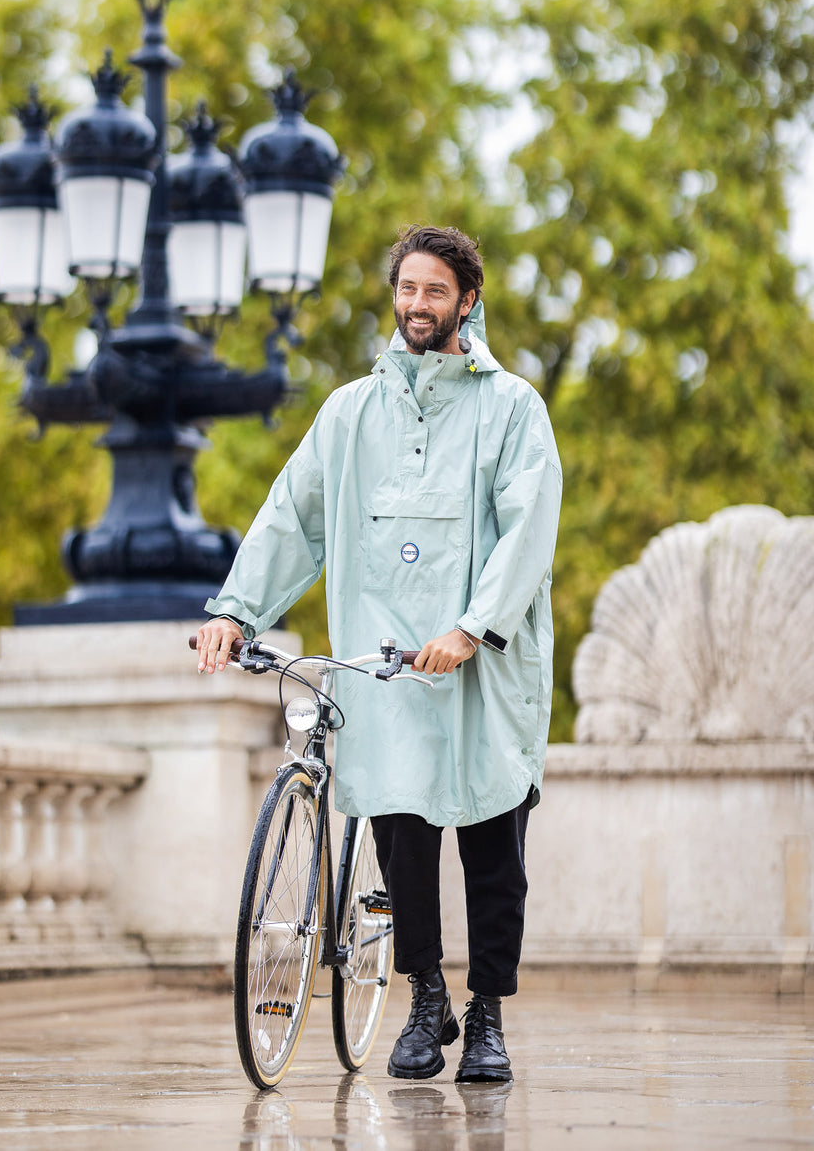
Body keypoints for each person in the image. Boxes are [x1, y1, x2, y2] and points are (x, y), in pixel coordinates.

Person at [195, 225, 562, 1082]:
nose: (417, 305)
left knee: (490, 847)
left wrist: (471, 628)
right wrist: (235, 612)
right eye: (407, 288)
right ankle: (424, 992)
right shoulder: (351, 411)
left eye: (436, 291)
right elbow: (293, 515)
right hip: (388, 661)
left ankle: (488, 1017)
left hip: (479, 666)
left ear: (468, 300)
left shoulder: (512, 408)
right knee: (401, 834)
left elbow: (528, 531)